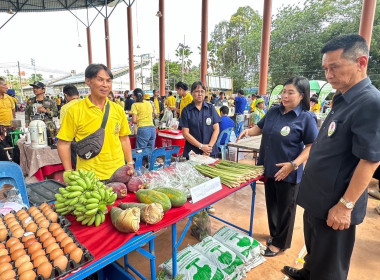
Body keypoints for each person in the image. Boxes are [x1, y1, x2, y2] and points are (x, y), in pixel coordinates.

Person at [282, 34, 380, 280]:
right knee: (315, 252)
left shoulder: (369, 102)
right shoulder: (343, 98)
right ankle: (307, 272)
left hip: (336, 206)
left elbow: (370, 161)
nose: (329, 74)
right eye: (325, 68)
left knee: (330, 269)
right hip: (319, 199)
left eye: (334, 67)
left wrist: (345, 206)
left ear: (361, 62)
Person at [238, 76, 318, 258]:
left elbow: (312, 146)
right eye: (284, 91)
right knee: (272, 205)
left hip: (288, 172)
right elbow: (260, 128)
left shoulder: (306, 118)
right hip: (268, 168)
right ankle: (275, 235)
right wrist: (248, 131)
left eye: (291, 92)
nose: (285, 96)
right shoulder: (274, 111)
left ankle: (281, 243)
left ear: (302, 95)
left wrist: (294, 164)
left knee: (286, 209)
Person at [57, 64, 134, 181]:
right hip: (88, 177)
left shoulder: (117, 109)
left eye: (108, 81)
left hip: (118, 174)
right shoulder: (75, 110)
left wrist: (129, 163)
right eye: (100, 80)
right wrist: (68, 171)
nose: (105, 85)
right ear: (88, 81)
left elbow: (124, 138)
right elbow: (63, 143)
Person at [180, 81, 220, 159]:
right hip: (193, 153)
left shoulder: (210, 108)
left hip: (210, 152)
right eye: (197, 91)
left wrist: (208, 148)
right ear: (192, 93)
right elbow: (185, 133)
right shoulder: (186, 111)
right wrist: (201, 146)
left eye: (202, 91)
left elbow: (216, 129)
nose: (200, 94)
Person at [130, 88, 157, 154]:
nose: (132, 96)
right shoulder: (148, 103)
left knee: (140, 151)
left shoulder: (135, 105)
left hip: (143, 129)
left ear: (135, 96)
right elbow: (154, 114)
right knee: (150, 151)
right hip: (152, 129)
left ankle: (140, 164)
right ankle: (150, 163)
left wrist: (139, 120)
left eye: (133, 95)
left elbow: (134, 120)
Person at [0, 78, 16, 161]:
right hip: (0, 129)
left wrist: (13, 124)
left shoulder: (9, 98)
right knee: (2, 153)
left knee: (14, 150)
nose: (6, 87)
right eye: (4, 85)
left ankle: (16, 167)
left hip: (10, 128)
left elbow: (13, 111)